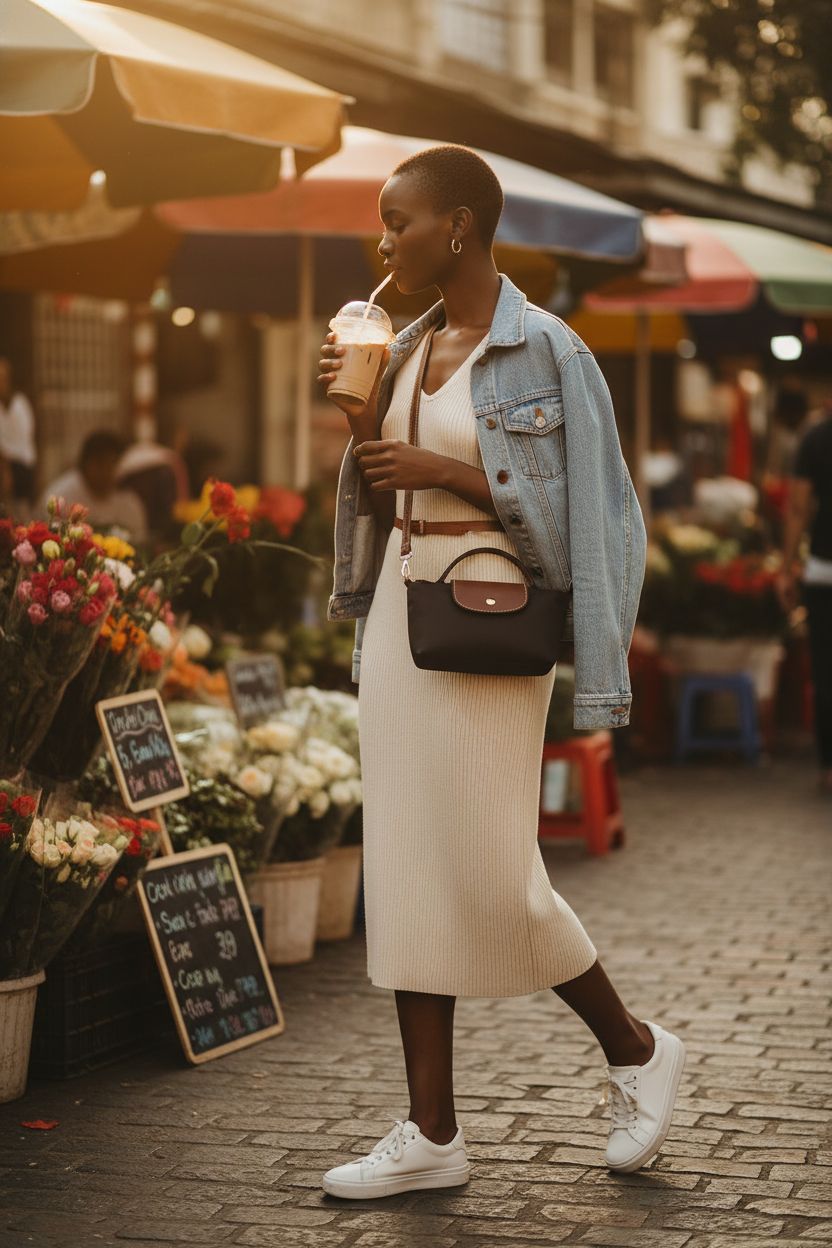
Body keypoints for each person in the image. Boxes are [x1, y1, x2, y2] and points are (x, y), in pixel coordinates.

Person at [317, 144, 686, 1200]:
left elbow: (600, 521)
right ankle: (430, 1131)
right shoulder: (405, 344)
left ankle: (634, 1048)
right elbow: (384, 498)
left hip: (489, 619)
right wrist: (359, 417)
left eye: (399, 220)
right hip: (400, 613)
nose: (384, 240)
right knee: (402, 864)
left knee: (489, 873)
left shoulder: (549, 351)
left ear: (460, 228)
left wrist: (446, 469)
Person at [777, 401, 832, 794]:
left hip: (823, 572)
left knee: (826, 672)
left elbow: (798, 508)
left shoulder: (816, 437)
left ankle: (830, 768)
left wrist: (786, 568)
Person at [39, 429, 148, 541]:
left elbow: (139, 542)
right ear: (85, 463)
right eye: (100, 464)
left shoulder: (129, 502)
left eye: (111, 464)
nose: (106, 471)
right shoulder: (60, 496)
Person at [0, 355, 37, 513]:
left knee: (23, 513)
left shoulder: (21, 403)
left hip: (24, 467)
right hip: (4, 466)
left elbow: (27, 436)